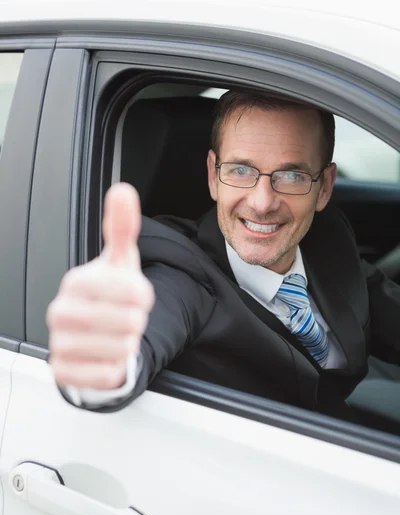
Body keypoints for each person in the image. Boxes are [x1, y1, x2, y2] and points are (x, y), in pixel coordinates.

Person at [47, 90, 400, 422]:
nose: (262, 203)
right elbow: (143, 337)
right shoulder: (179, 271)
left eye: (292, 175)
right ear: (214, 176)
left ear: (324, 188)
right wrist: (101, 367)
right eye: (241, 171)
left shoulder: (329, 237)